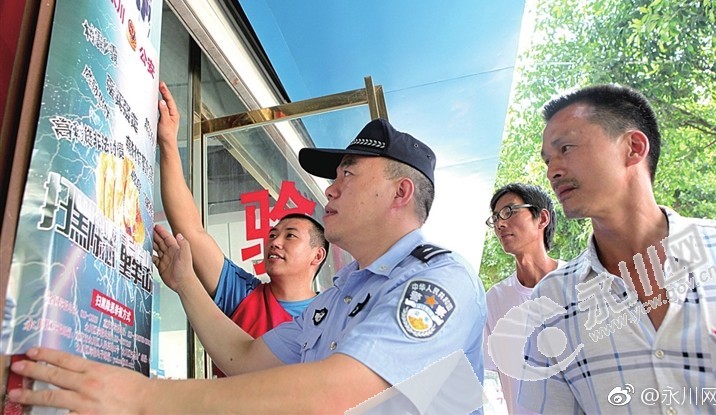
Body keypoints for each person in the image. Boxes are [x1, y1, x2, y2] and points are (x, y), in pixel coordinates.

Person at [8, 118, 487, 414]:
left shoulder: (439, 280)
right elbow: (244, 358)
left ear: (400, 193)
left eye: (348, 174)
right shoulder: (339, 297)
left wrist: (141, 398)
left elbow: (339, 395)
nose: (331, 189)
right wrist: (185, 283)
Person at [515, 84, 716, 413]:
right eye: (548, 160)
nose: (553, 171)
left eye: (566, 148)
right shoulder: (552, 302)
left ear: (633, 148)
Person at [157, 82, 327, 376]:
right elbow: (192, 232)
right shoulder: (241, 293)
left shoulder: (333, 315)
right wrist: (169, 143)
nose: (275, 242)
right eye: (272, 234)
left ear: (317, 255)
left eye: (290, 235)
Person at [482, 183, 564, 414]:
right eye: (495, 218)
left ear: (542, 218)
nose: (500, 224)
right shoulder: (495, 300)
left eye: (509, 211)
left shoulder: (579, 282)